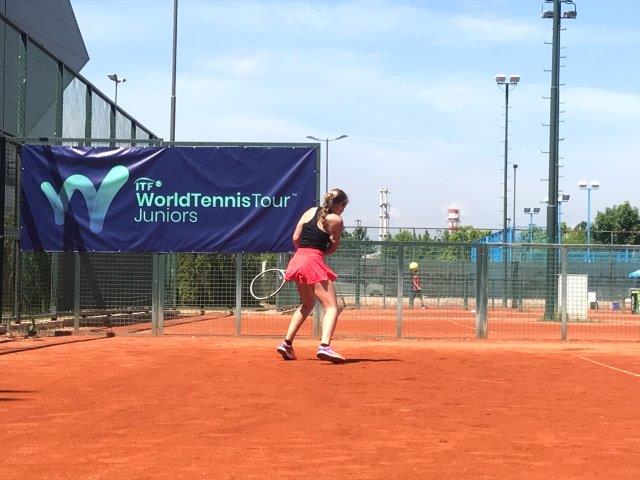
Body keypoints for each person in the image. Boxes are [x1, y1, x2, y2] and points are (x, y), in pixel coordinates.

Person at [276, 188, 349, 363]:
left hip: (297, 259)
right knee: (332, 307)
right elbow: (332, 249)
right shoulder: (337, 220)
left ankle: (286, 344)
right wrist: (322, 248)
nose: (343, 210)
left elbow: (296, 238)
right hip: (312, 261)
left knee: (307, 304)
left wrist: (304, 253)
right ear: (340, 204)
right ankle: (325, 346)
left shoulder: (309, 211)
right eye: (344, 206)